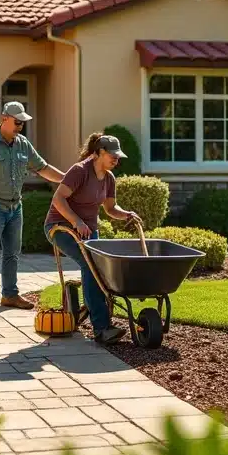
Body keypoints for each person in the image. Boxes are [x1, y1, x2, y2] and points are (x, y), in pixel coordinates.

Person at [0, 101, 65, 316]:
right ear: (4, 118)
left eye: (22, 123)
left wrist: (66, 180)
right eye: (17, 122)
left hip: (15, 206)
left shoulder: (23, 144)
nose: (20, 126)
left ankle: (10, 294)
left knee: (12, 254)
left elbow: (43, 168)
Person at [44, 133, 142, 345]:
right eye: (112, 155)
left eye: (118, 156)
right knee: (90, 266)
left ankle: (81, 307)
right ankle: (101, 329)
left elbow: (110, 209)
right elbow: (58, 199)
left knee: (101, 269)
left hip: (87, 230)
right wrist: (76, 221)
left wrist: (126, 214)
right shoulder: (80, 171)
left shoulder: (108, 178)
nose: (116, 160)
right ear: (98, 153)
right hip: (60, 227)